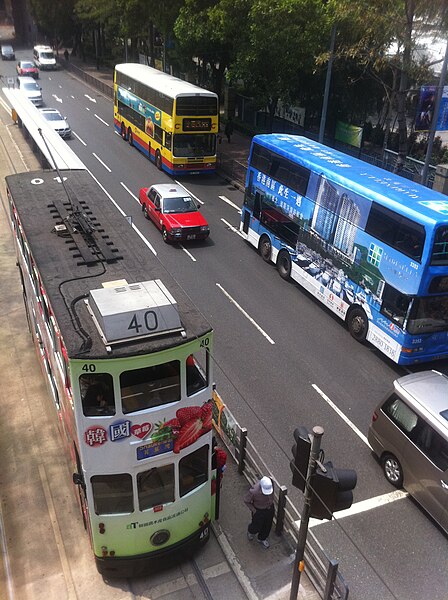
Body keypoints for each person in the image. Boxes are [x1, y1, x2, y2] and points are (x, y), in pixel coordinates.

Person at [244, 476, 275, 548]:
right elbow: (246, 500)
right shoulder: (254, 492)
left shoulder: (271, 483)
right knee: (256, 525)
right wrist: (254, 511)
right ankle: (251, 531)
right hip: (259, 510)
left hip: (269, 508)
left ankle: (262, 538)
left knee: (268, 525)